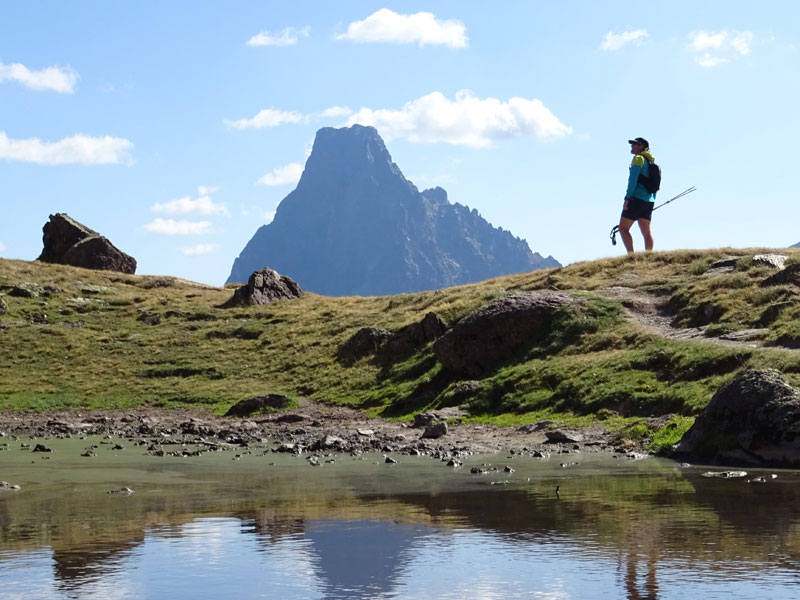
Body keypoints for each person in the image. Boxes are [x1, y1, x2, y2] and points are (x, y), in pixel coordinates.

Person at [619, 137, 656, 253]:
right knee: (646, 232)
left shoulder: (638, 159)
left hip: (635, 199)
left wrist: (627, 198)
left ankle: (631, 255)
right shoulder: (651, 163)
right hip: (649, 201)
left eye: (634, 144)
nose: (632, 146)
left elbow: (633, 180)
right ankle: (648, 255)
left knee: (623, 228)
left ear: (641, 146)